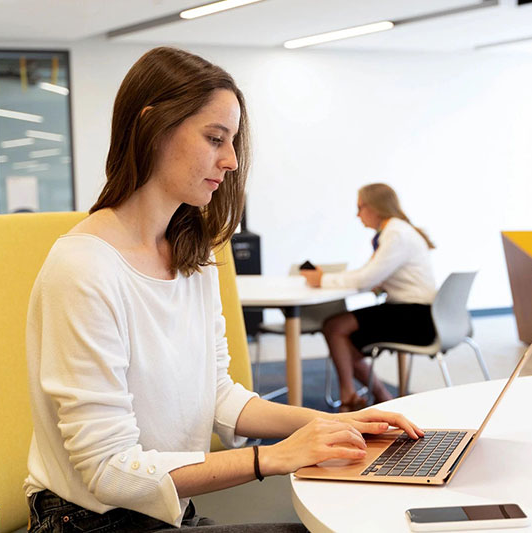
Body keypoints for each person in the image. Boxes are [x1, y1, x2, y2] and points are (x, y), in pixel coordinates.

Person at [23, 47, 423, 533]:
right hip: (90, 520)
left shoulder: (194, 255)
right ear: (152, 126)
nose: (231, 161)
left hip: (165, 509)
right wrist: (271, 459)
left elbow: (216, 396)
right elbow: (109, 471)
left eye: (232, 142)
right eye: (215, 138)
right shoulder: (84, 268)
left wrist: (326, 424)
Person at [300, 184, 436, 412]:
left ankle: (351, 396)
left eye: (360, 207)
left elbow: (365, 279)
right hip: (415, 310)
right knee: (342, 338)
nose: (357, 214)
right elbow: (370, 276)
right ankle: (374, 396)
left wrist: (322, 280)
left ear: (375, 207)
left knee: (335, 327)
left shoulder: (395, 233)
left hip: (415, 316)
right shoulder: (396, 231)